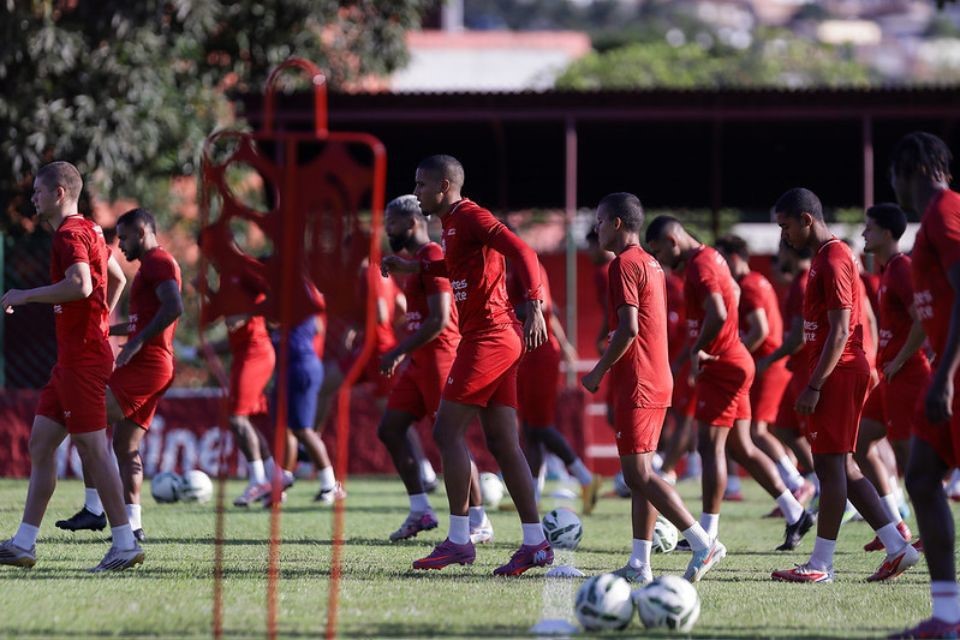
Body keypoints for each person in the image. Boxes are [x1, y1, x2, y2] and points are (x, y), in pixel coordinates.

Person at [383, 154, 551, 576]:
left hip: (491, 336)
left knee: (446, 430)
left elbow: (523, 251)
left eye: (422, 184)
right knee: (502, 443)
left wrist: (534, 304)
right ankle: (536, 543)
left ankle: (460, 539)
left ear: (443, 186)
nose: (416, 191)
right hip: (493, 337)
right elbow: (456, 267)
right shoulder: (452, 226)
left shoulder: (471, 216)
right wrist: (412, 265)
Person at [769, 187, 919, 584]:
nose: (783, 236)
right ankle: (896, 544)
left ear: (806, 219)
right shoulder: (824, 257)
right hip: (839, 370)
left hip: (838, 373)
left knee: (830, 466)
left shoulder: (833, 258)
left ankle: (821, 563)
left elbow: (840, 330)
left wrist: (814, 384)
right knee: (843, 466)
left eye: (786, 226)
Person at [0, 161, 143, 571]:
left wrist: (24, 296)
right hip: (73, 358)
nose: (33, 199)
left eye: (38, 192)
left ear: (59, 193)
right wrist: (101, 322)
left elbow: (81, 284)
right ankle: (24, 543)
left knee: (94, 449)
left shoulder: (68, 234)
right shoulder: (93, 229)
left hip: (82, 359)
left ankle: (124, 542)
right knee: (41, 444)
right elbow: (117, 280)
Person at [646, 216, 814, 552]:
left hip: (723, 365)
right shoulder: (711, 258)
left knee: (711, 447)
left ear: (672, 239)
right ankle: (795, 512)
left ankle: (707, 534)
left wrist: (700, 348)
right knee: (742, 447)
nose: (661, 259)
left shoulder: (699, 264)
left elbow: (720, 312)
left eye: (659, 250)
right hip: (732, 359)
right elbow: (731, 294)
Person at [581, 192, 724, 584]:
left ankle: (701, 541)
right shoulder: (652, 263)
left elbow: (628, 329)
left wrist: (598, 371)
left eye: (597, 221)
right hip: (657, 377)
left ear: (615, 224)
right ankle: (640, 563)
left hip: (639, 379)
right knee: (640, 473)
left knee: (640, 473)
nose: (594, 230)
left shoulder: (623, 264)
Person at [55, 208, 183, 541]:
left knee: (89, 424)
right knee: (124, 447)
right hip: (156, 365)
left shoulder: (159, 262)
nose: (120, 246)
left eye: (124, 238)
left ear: (142, 232)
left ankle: (95, 510)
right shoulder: (151, 267)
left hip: (149, 364)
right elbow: (149, 318)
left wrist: (136, 343)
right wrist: (114, 330)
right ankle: (134, 523)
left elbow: (174, 307)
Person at [377, 195, 491, 544]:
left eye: (392, 222)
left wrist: (397, 350)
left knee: (450, 438)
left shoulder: (432, 254)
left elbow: (441, 319)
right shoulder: (416, 261)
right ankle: (420, 509)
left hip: (441, 357)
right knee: (390, 429)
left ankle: (479, 520)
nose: (387, 229)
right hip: (418, 362)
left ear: (412, 224)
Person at [888, 132, 960, 638]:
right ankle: (948, 618)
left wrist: (946, 376)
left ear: (909, 169)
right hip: (946, 371)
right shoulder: (931, 220)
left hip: (954, 376)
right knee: (919, 477)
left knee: (921, 478)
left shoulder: (945, 211)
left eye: (894, 174)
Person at [715, 235, 814, 505]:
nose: (719, 267)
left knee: (756, 433)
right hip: (767, 364)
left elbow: (760, 329)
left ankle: (799, 484)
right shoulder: (755, 282)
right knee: (779, 430)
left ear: (735, 258)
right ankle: (799, 486)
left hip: (766, 366)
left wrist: (735, 356)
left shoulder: (749, 285)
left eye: (722, 259)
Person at [506, 257, 600, 513]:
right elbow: (550, 312)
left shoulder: (525, 265)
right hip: (528, 353)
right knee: (529, 428)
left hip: (539, 354)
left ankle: (585, 478)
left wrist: (497, 309)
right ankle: (533, 496)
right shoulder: (512, 267)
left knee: (540, 427)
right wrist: (565, 342)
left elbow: (541, 306)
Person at [857, 203, 925, 550]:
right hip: (890, 376)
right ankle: (896, 524)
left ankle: (929, 530)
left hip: (907, 375)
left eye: (868, 228)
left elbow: (922, 320)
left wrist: (899, 360)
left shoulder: (901, 269)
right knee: (859, 443)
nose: (863, 233)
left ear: (886, 233)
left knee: (910, 458)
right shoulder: (889, 270)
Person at [759, 241, 816, 492]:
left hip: (808, 370)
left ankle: (838, 492)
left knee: (830, 442)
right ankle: (812, 483)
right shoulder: (800, 282)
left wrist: (769, 359)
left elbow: (798, 338)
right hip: (798, 369)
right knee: (783, 427)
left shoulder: (803, 283)